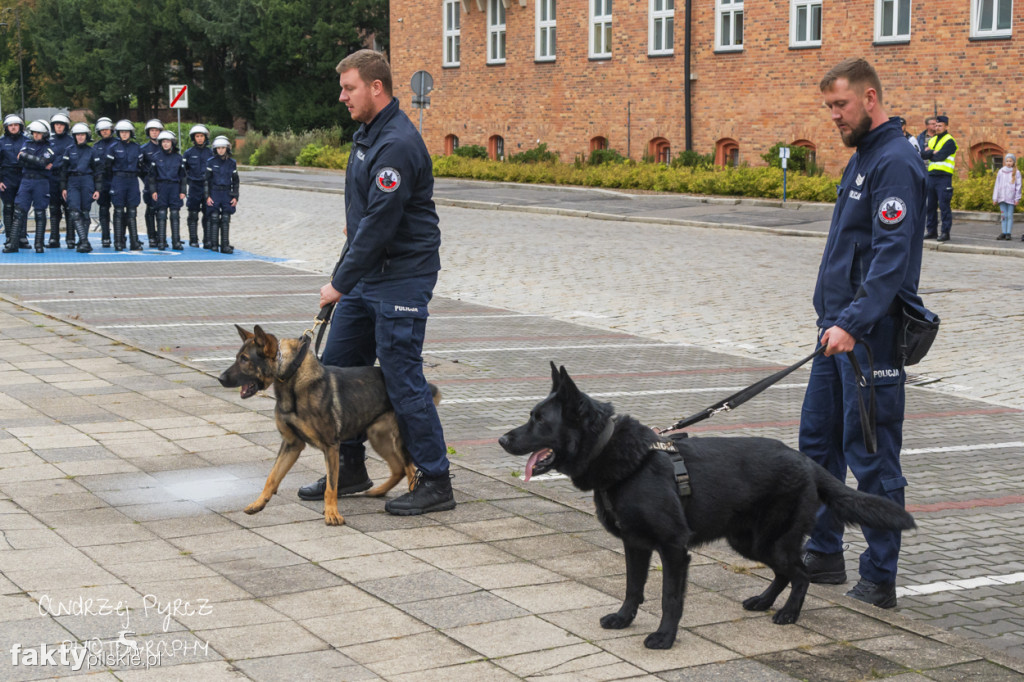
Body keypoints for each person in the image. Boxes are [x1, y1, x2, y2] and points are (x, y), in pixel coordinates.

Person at [297, 49, 454, 516]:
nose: (342, 96)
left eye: (349, 88)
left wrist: (337, 284)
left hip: (401, 278)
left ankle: (435, 480)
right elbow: (364, 221)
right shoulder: (368, 135)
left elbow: (381, 224)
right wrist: (349, 271)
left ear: (376, 87)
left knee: (403, 380)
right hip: (368, 273)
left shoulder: (398, 145)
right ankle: (348, 470)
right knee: (336, 367)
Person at [800, 58, 927, 610]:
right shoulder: (863, 159)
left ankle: (880, 575)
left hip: (867, 336)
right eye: (828, 107)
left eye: (840, 105)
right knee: (817, 445)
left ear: (870, 98)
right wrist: (833, 322)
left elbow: (890, 259)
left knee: (872, 455)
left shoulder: (895, 161)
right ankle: (824, 551)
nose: (834, 116)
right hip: (836, 334)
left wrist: (852, 323)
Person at [13, 120, 56, 254]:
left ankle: (39, 244)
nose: (36, 135)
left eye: (39, 133)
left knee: (40, 212)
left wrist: (28, 159)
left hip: (41, 182)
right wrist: (38, 162)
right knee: (19, 211)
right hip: (26, 181)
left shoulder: (50, 147)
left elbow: (44, 161)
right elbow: (20, 158)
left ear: (45, 134)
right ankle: (13, 243)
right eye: (34, 133)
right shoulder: (27, 144)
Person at [60, 122, 104, 253]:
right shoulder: (69, 150)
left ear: (87, 136)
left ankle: (82, 241)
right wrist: (63, 187)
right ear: (74, 136)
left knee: (85, 212)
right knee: (74, 211)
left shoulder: (92, 151)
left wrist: (98, 189)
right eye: (77, 135)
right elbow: (63, 170)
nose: (80, 137)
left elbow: (98, 171)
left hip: (87, 181)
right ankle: (84, 241)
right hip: (73, 181)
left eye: (82, 134)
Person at [106, 119, 145, 251]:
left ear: (131, 133)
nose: (124, 134)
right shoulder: (113, 148)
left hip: (133, 181)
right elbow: (107, 167)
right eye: (121, 132)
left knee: (132, 211)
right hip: (118, 180)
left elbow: (141, 167)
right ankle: (118, 241)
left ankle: (134, 241)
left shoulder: (136, 147)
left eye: (126, 132)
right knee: (118, 211)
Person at [147, 130, 186, 250]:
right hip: (161, 187)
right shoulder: (156, 157)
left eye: (168, 142)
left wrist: (183, 191)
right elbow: (152, 176)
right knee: (161, 214)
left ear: (172, 143)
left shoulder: (179, 158)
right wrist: (153, 191)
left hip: (174, 187)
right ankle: (161, 241)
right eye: (163, 142)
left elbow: (183, 176)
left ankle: (176, 241)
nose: (165, 144)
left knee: (175, 214)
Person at [920, 115, 957, 242]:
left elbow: (940, 157)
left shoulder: (950, 141)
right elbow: (923, 154)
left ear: (946, 126)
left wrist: (931, 152)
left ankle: (945, 232)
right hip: (931, 176)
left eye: (940, 125)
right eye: (936, 125)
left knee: (944, 205)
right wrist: (932, 153)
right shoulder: (933, 139)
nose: (937, 127)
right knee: (930, 206)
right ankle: (931, 231)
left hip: (944, 177)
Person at [204, 135, 238, 254]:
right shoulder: (210, 162)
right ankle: (214, 244)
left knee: (225, 218)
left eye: (223, 148)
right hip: (214, 192)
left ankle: (225, 245)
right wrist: (207, 196)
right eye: (218, 148)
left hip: (227, 192)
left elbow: (235, 181)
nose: (221, 150)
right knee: (214, 217)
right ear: (215, 149)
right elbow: (206, 181)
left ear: (227, 148)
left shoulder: (232, 163)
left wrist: (235, 196)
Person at [0, 114, 28, 251]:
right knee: (8, 208)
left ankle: (22, 237)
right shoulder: (1, 142)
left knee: (22, 208)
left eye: (16, 125)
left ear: (20, 126)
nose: (13, 127)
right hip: (6, 177)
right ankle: (10, 237)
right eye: (10, 125)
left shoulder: (27, 141)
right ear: (7, 127)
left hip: (23, 176)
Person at [47, 113, 75, 248]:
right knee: (53, 209)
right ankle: (54, 238)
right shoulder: (48, 140)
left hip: (68, 178)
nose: (59, 127)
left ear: (66, 126)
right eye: (56, 125)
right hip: (52, 178)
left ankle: (70, 238)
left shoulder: (72, 141)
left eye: (61, 125)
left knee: (69, 208)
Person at [182, 124, 213, 247]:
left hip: (207, 187)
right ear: (193, 138)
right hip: (194, 186)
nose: (199, 138)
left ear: (205, 137)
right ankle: (193, 239)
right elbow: (184, 171)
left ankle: (208, 239)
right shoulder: (188, 153)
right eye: (197, 136)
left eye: (201, 136)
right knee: (193, 213)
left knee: (208, 213)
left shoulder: (211, 153)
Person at [92, 117, 117, 247]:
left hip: (117, 180)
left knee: (119, 210)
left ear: (111, 130)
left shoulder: (118, 144)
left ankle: (120, 237)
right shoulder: (96, 147)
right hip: (103, 181)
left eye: (107, 129)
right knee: (103, 209)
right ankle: (105, 237)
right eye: (102, 130)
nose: (105, 132)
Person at [140, 119, 165, 245]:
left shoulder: (166, 146)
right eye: (152, 131)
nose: (154, 133)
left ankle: (161, 236)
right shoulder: (143, 149)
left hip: (164, 184)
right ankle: (151, 236)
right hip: (149, 184)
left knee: (162, 210)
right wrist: (146, 179)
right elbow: (139, 167)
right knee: (150, 209)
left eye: (157, 131)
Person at [992, 153, 1021, 241]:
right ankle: (1003, 232)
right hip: (1001, 198)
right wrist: (995, 198)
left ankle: (1008, 233)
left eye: (1010, 161)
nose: (1008, 163)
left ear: (1013, 162)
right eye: (1007, 161)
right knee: (1003, 216)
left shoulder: (1016, 172)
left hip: (1011, 198)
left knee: (1009, 216)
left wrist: (1017, 198)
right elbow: (997, 185)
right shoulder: (1001, 171)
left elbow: (1018, 186)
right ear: (1005, 162)